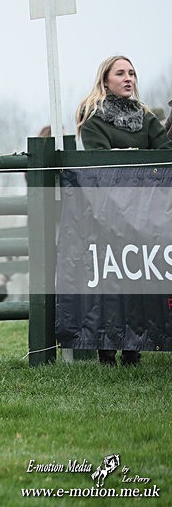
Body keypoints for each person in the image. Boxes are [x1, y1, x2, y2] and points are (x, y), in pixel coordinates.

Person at [75, 56, 172, 366]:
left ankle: (134, 349)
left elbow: (165, 155)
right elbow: (101, 166)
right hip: (108, 214)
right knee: (110, 283)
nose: (128, 78)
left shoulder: (147, 120)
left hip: (145, 213)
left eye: (131, 73)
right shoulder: (94, 123)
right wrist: (139, 158)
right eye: (120, 73)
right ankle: (107, 351)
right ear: (105, 80)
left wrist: (128, 155)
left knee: (141, 279)